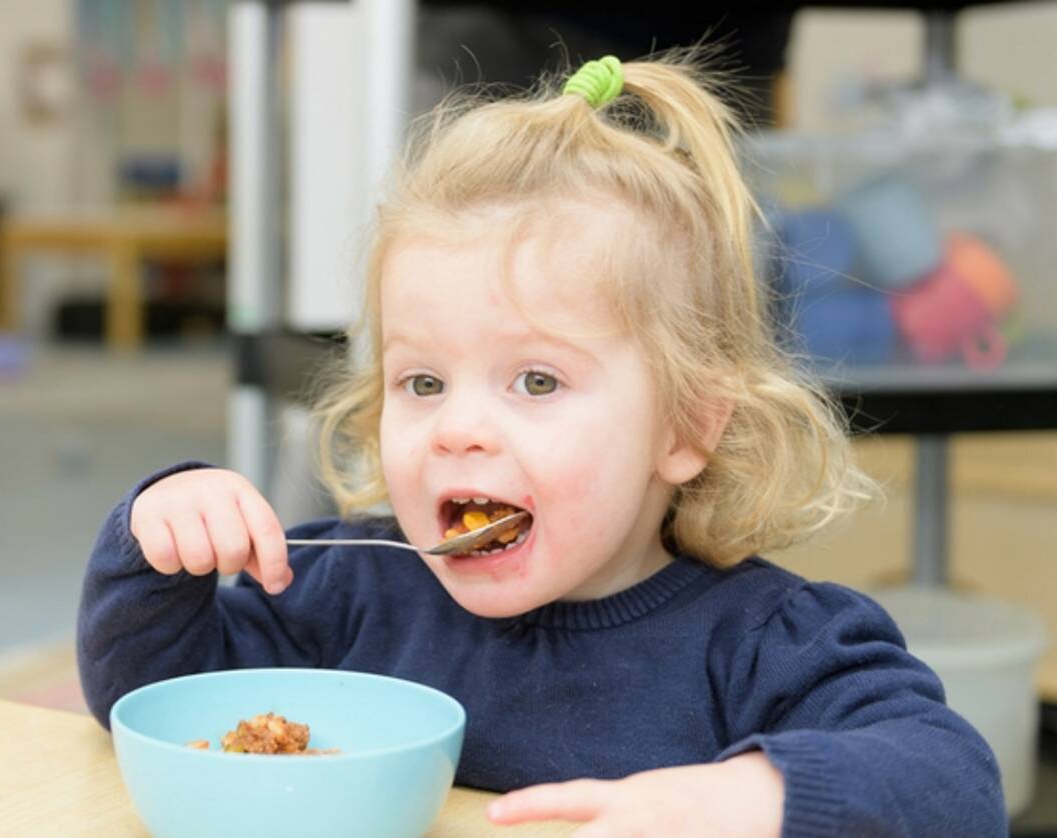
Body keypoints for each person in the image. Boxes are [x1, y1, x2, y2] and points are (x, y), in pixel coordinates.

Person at [77, 52, 1005, 835]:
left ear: (686, 426)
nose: (461, 429)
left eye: (537, 381)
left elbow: (957, 784)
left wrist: (748, 795)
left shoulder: (768, 642)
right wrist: (160, 549)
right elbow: (156, 706)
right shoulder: (345, 590)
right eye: (423, 383)